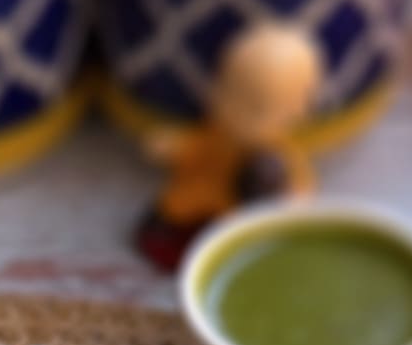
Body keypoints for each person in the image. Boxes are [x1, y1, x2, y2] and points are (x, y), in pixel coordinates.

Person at [136, 22, 323, 271]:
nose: (238, 115)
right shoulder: (216, 131)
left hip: (232, 219)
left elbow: (297, 187)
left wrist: (293, 203)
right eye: (231, 96)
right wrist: (171, 146)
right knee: (161, 229)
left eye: (258, 110)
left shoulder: (277, 155)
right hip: (192, 198)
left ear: (297, 110)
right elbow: (195, 145)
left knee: (226, 249)